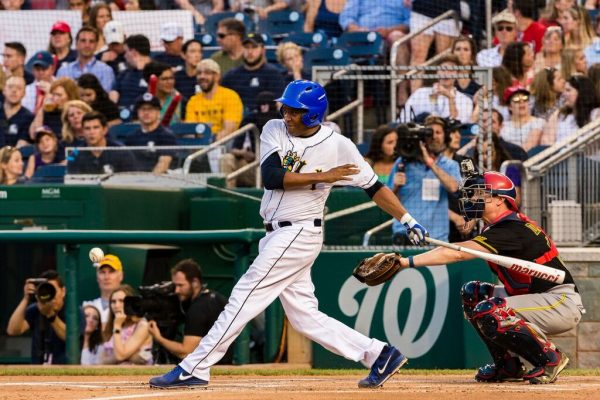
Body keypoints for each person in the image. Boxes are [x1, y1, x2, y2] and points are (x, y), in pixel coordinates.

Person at [149, 79, 429, 389]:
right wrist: (325, 177)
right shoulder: (274, 128)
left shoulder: (339, 146)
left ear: (312, 115)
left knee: (244, 296)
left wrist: (408, 219)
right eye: (286, 107)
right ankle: (379, 354)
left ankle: (195, 367)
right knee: (304, 318)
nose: (286, 114)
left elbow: (375, 187)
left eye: (294, 111)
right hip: (277, 233)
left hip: (298, 233)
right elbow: (271, 177)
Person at [392, 169, 583, 384]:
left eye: (480, 194)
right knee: (473, 293)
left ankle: (550, 358)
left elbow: (456, 252)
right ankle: (508, 366)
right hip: (537, 297)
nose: (472, 199)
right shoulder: (497, 227)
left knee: (492, 311)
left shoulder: (512, 229)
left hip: (559, 302)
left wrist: (405, 263)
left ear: (501, 200)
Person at [387, 115, 461, 244]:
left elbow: (454, 187)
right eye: (430, 132)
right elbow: (388, 199)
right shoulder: (403, 163)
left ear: (446, 137)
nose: (434, 137)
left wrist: (430, 163)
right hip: (405, 234)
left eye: (438, 132)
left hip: (436, 237)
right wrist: (395, 187)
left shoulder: (450, 165)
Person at [147, 259, 233, 362]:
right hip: (228, 362)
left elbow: (186, 351)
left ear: (195, 282)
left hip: (212, 367)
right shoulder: (218, 297)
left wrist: (159, 338)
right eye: (175, 286)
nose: (176, 291)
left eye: (180, 285)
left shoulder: (197, 308)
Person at [6, 270, 76, 364]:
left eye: (53, 289)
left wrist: (50, 315)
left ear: (63, 291)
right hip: (39, 371)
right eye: (47, 289)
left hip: (66, 370)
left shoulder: (73, 311)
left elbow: (71, 338)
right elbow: (13, 330)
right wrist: (26, 298)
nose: (51, 294)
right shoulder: (36, 309)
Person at [219, 91, 278, 188]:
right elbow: (234, 149)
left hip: (273, 172)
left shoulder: (281, 121)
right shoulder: (250, 119)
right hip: (252, 167)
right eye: (261, 104)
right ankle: (228, 197)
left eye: (266, 104)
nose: (263, 108)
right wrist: (243, 153)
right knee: (226, 158)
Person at [221, 33, 287, 113]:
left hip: (263, 120)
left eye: (254, 47)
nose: (250, 51)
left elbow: (279, 105)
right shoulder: (231, 76)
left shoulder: (273, 75)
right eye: (246, 47)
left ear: (263, 50)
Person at [403, 55, 474, 124]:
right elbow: (404, 119)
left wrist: (450, 98)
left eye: (451, 70)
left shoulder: (465, 100)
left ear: (458, 74)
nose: (446, 74)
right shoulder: (419, 93)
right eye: (443, 69)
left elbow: (459, 125)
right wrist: (434, 97)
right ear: (437, 72)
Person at [409, 0, 461, 93]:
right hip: (422, 9)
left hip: (448, 11)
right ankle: (415, 99)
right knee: (418, 54)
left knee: (445, 58)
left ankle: (444, 95)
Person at [185, 59, 243, 140]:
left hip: (225, 144)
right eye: (199, 73)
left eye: (207, 73)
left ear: (217, 76)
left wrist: (211, 142)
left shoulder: (230, 96)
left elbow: (229, 130)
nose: (202, 76)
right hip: (199, 146)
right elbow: (190, 131)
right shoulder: (193, 101)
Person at [68, 111, 137, 174]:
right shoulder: (74, 154)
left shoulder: (122, 152)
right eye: (87, 128)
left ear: (104, 130)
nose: (91, 132)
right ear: (83, 132)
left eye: (96, 127)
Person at [125, 93, 177, 174]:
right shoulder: (131, 137)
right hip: (134, 179)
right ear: (137, 112)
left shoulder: (167, 136)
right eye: (143, 109)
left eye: (150, 109)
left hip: (160, 181)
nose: (146, 113)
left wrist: (148, 181)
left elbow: (163, 164)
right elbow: (126, 162)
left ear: (158, 113)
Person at [542, 75, 600, 145]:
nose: (563, 94)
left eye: (568, 90)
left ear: (581, 93)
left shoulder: (596, 114)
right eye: (564, 90)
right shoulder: (559, 115)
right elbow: (546, 142)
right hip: (560, 155)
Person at [102, 285, 153, 364]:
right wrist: (130, 357)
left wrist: (117, 326)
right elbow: (102, 361)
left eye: (121, 301)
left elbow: (120, 356)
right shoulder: (109, 326)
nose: (116, 306)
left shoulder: (142, 325)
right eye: (113, 301)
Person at [56, 26, 115, 93]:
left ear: (96, 45)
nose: (87, 45)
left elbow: (104, 98)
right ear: (76, 43)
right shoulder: (63, 71)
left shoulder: (106, 71)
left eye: (91, 41)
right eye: (83, 41)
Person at [111, 34, 153, 110]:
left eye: (126, 52)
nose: (124, 56)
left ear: (134, 53)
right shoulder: (123, 74)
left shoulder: (157, 72)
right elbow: (113, 94)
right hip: (123, 117)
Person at [82, 253, 125, 325]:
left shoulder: (128, 306)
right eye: (102, 272)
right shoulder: (88, 306)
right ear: (97, 278)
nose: (107, 277)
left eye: (111, 272)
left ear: (121, 276)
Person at [500, 86, 544, 151]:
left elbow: (527, 149)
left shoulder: (538, 122)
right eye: (516, 99)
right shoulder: (503, 125)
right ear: (509, 106)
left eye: (525, 98)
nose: (521, 102)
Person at [0, 76, 34, 148]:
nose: (14, 91)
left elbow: (22, 143)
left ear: (24, 93)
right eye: (10, 87)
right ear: (4, 90)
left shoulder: (28, 117)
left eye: (19, 88)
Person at [23, 50, 57, 115]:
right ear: (33, 70)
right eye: (37, 69)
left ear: (52, 69)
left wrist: (51, 93)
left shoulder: (61, 87)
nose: (41, 72)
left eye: (44, 69)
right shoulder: (26, 90)